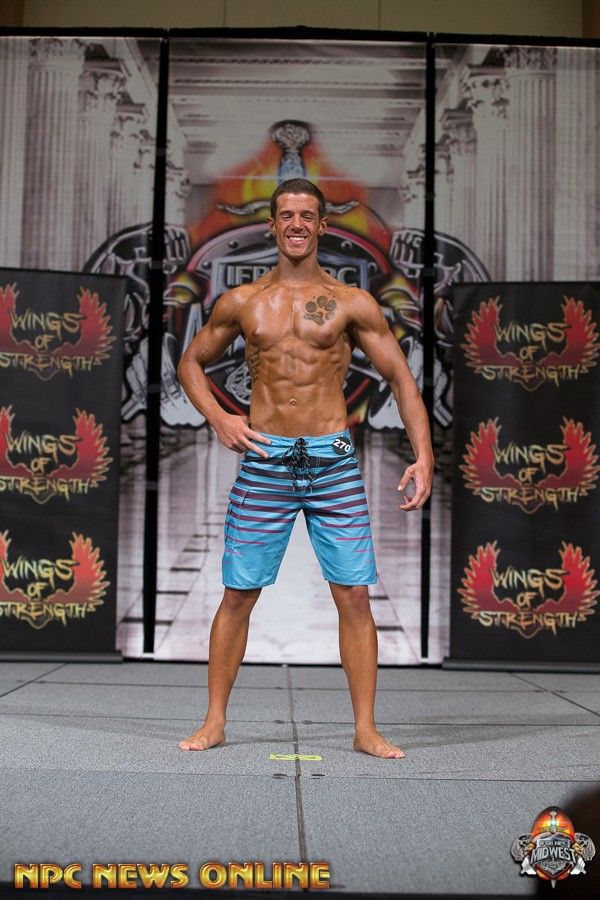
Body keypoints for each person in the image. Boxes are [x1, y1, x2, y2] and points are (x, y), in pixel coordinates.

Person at [177, 177, 433, 758]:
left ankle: (365, 728)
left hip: (331, 462)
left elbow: (401, 378)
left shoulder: (351, 303)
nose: (296, 224)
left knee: (354, 595)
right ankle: (214, 721)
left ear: (322, 225)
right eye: (287, 215)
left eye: (306, 215)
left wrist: (424, 454)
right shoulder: (243, 302)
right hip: (265, 460)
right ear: (272, 225)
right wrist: (219, 417)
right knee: (238, 594)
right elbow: (191, 362)